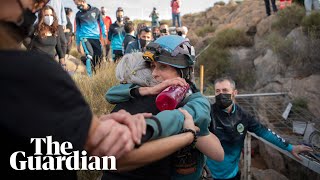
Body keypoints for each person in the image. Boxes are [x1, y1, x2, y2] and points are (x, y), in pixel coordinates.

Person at [0, 0, 149, 178]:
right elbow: (113, 156)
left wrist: (83, 120)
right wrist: (186, 133)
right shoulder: (34, 72)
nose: (37, 7)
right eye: (35, 1)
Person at [104, 36, 224, 179]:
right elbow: (111, 94)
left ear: (184, 70)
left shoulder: (194, 102)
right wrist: (147, 90)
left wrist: (147, 128)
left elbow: (218, 154)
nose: (154, 73)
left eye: (163, 67)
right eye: (152, 66)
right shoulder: (151, 93)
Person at [206, 77, 313, 180]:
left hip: (232, 174)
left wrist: (290, 148)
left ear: (235, 93)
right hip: (208, 174)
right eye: (217, 91)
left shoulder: (243, 116)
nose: (221, 94)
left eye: (225, 90)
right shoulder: (207, 113)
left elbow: (264, 132)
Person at [74, 0, 106, 73]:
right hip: (85, 37)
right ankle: (90, 76)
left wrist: (104, 36)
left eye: (78, 4)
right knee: (89, 55)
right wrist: (78, 44)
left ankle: (87, 64)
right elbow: (78, 30)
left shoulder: (96, 10)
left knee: (99, 56)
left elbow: (102, 24)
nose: (77, 7)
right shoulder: (78, 15)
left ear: (83, 1)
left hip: (96, 37)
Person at [47, 0, 67, 67]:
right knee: (53, 41)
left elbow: (62, 11)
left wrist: (64, 22)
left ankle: (61, 59)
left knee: (63, 42)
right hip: (48, 22)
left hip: (58, 23)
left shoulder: (59, 1)